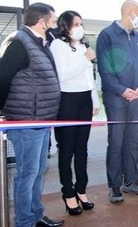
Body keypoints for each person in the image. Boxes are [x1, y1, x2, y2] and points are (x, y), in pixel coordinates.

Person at [0, 2, 64, 227]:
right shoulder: (20, 43)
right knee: (28, 173)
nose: (55, 25)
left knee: (38, 171)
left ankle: (35, 216)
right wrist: (2, 105)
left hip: (41, 120)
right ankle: (24, 222)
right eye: (53, 21)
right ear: (42, 22)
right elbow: (0, 79)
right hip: (26, 121)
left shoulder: (39, 43)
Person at [96, 0, 138, 203]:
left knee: (135, 142)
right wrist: (122, 90)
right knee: (117, 142)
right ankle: (114, 186)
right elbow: (104, 68)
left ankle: (131, 181)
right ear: (130, 13)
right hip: (116, 100)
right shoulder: (107, 35)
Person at [49, 11, 100, 216]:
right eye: (75, 24)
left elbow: (89, 78)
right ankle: (68, 192)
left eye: (81, 23)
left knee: (82, 148)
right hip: (67, 100)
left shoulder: (83, 46)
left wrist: (95, 100)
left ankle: (81, 189)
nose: (79, 27)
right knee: (67, 149)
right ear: (65, 26)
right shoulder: (57, 45)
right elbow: (61, 75)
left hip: (85, 99)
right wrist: (85, 60)